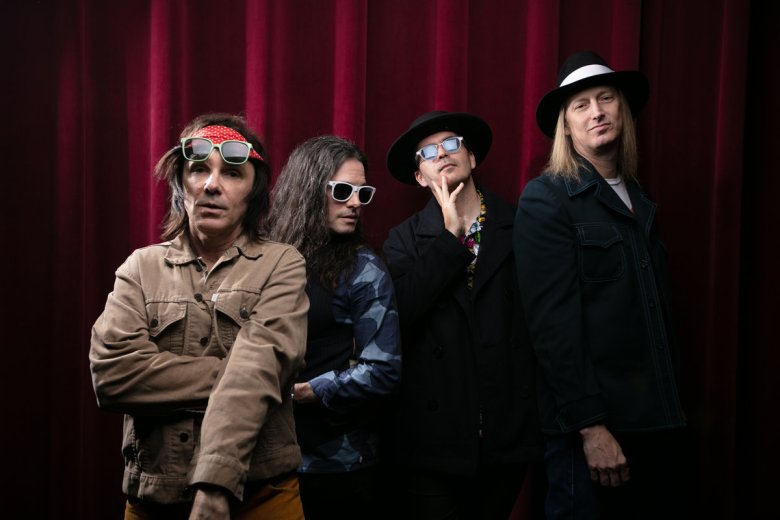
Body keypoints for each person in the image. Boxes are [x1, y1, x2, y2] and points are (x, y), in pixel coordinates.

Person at [89, 113, 309, 520]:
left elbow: (265, 363)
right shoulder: (140, 268)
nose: (212, 185)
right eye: (198, 170)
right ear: (181, 185)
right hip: (154, 498)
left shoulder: (282, 264)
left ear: (252, 192)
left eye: (231, 173)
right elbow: (112, 376)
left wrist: (214, 482)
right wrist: (235, 373)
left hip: (263, 494)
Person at [513, 50, 689, 519]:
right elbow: (553, 328)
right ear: (566, 127)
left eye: (606, 98)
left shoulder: (640, 198)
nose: (597, 112)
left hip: (655, 426)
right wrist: (591, 428)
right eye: (581, 105)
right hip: (591, 435)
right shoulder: (546, 199)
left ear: (622, 111)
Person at [383, 111, 542, 519]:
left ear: (472, 158)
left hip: (506, 430)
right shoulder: (402, 240)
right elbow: (400, 314)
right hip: (432, 439)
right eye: (427, 152)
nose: (441, 154)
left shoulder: (521, 224)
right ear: (419, 176)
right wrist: (450, 238)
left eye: (451, 144)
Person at [266, 136, 402, 520]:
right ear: (308, 189)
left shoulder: (363, 268)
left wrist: (314, 391)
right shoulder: (268, 256)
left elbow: (384, 368)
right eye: (343, 190)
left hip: (336, 466)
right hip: (267, 458)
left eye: (362, 193)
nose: (356, 203)